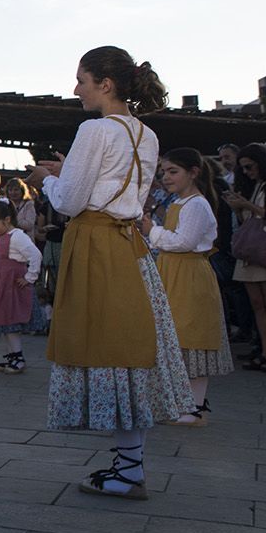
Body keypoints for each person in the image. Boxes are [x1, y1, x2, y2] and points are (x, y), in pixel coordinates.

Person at [25, 46, 193, 500]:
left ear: (105, 84)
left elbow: (70, 201)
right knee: (130, 349)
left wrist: (47, 180)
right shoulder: (146, 134)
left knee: (106, 346)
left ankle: (129, 471)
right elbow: (115, 187)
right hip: (129, 247)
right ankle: (129, 465)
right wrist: (67, 173)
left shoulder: (94, 129)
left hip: (96, 243)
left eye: (81, 80)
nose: (75, 88)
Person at [142, 148, 233, 423]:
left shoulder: (196, 204)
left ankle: (195, 405)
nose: (166, 177)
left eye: (173, 171)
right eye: (164, 172)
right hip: (174, 271)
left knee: (191, 335)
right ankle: (182, 402)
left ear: (193, 173)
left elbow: (184, 242)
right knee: (176, 335)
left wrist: (153, 230)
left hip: (189, 274)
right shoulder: (180, 202)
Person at [225, 144, 266, 372]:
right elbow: (247, 220)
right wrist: (238, 207)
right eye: (243, 168)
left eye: (249, 167)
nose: (247, 172)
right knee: (258, 304)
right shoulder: (253, 185)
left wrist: (245, 205)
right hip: (252, 249)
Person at [0, 200, 41, 375]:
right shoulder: (2, 236)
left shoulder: (18, 237)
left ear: (7, 220)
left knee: (11, 320)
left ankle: (18, 357)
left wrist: (30, 277)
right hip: (1, 283)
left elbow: (35, 255)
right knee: (4, 320)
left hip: (12, 285)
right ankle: (11, 355)